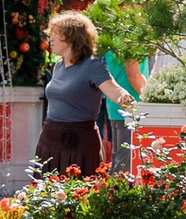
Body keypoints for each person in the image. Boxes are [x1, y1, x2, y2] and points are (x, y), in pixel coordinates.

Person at [36, 12, 138, 176]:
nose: (51, 39)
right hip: (50, 137)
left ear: (71, 38)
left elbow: (114, 89)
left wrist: (127, 100)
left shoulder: (92, 65)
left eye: (56, 34)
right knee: (47, 195)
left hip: (80, 140)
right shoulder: (59, 66)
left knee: (80, 194)